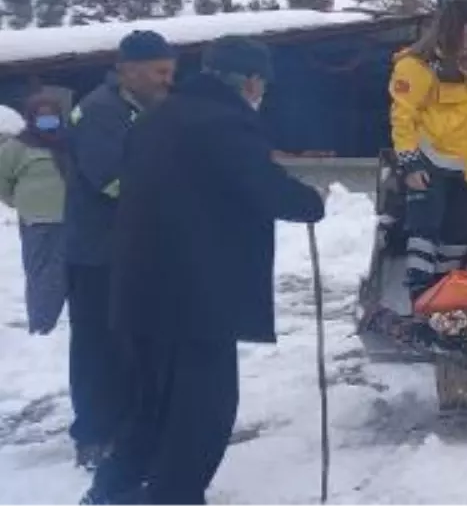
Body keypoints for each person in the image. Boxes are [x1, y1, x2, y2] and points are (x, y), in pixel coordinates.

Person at [82, 36, 326, 506]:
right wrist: (310, 201)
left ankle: (113, 490)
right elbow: (260, 186)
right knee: (202, 413)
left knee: (151, 405)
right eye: (261, 84)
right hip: (196, 299)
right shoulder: (226, 123)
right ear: (251, 81)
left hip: (140, 290)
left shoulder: (156, 118)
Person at [63, 29, 177, 469]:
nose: (168, 80)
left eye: (171, 71)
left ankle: (132, 424)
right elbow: (112, 179)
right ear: (128, 70)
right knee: (98, 344)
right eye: (160, 72)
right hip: (98, 253)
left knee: (134, 344)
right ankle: (93, 433)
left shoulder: (148, 107)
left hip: (134, 251)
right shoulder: (99, 112)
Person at [390, 0, 467, 303]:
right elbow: (403, 116)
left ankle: (443, 297)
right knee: (425, 232)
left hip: (465, 168)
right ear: (449, 31)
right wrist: (410, 164)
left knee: (458, 235)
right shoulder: (416, 66)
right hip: (429, 164)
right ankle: (420, 297)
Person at [0, 90, 70, 335]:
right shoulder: (17, 146)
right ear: (32, 118)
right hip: (35, 219)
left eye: (52, 116)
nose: (47, 120)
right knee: (39, 272)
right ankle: (41, 325)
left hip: (67, 216)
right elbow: (2, 180)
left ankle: (53, 323)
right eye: (42, 116)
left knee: (62, 271)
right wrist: (17, 201)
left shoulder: (68, 142)